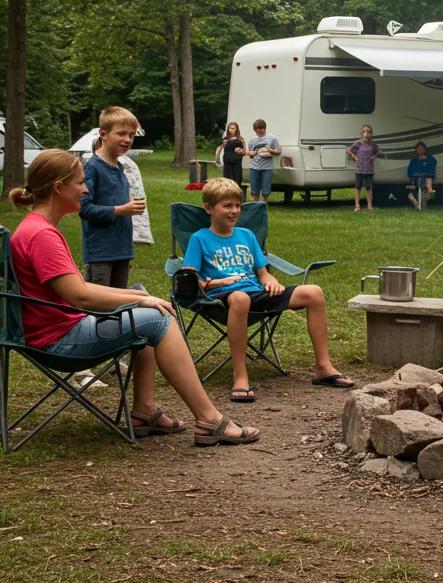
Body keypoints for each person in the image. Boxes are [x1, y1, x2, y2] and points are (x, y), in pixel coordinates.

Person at [8, 150, 259, 447]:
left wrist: (135, 295)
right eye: (80, 183)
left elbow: (76, 289)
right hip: (60, 339)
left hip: (55, 330)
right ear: (58, 187)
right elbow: (80, 296)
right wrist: (141, 302)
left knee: (148, 311)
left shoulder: (36, 228)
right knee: (157, 318)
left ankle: (144, 411)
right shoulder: (41, 236)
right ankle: (209, 419)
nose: (86, 189)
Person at [181, 177, 358, 403]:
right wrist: (214, 283)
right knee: (240, 297)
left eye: (237, 205)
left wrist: (270, 280)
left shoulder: (246, 235)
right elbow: (188, 277)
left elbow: (262, 272)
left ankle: (323, 367)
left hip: (257, 293)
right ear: (208, 208)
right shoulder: (200, 239)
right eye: (227, 206)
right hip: (223, 298)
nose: (234, 211)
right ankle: (240, 375)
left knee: (314, 292)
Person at [73, 108, 149, 389]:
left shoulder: (120, 166)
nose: (127, 139)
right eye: (121, 134)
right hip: (100, 252)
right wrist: (122, 209)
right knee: (96, 308)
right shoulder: (92, 167)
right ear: (103, 134)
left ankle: (111, 359)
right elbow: (84, 208)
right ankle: (84, 369)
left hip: (121, 250)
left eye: (131, 135)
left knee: (118, 308)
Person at [347, 124, 379, 212]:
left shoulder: (373, 145)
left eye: (368, 132)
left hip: (369, 170)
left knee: (368, 187)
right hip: (359, 169)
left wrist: (374, 157)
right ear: (361, 133)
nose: (366, 134)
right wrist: (354, 157)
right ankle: (357, 206)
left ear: (371, 134)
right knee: (358, 187)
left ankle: (369, 205)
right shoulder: (358, 143)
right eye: (364, 132)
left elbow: (378, 151)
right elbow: (348, 150)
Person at [246, 119, 280, 202]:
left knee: (266, 187)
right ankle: (256, 204)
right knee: (254, 187)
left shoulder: (272, 138)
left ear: (264, 128)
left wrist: (270, 151)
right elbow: (250, 153)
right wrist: (251, 154)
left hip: (266, 167)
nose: (259, 134)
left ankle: (265, 204)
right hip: (254, 167)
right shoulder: (252, 139)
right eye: (257, 132)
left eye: (260, 132)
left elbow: (278, 151)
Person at [406, 141, 437, 209]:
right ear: (416, 150)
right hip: (414, 182)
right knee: (410, 195)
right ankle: (417, 205)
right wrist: (417, 175)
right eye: (418, 149)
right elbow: (409, 172)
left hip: (425, 182)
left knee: (423, 200)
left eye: (421, 149)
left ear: (425, 150)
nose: (420, 150)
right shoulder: (414, 160)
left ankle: (431, 193)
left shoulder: (430, 159)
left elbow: (432, 172)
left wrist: (422, 174)